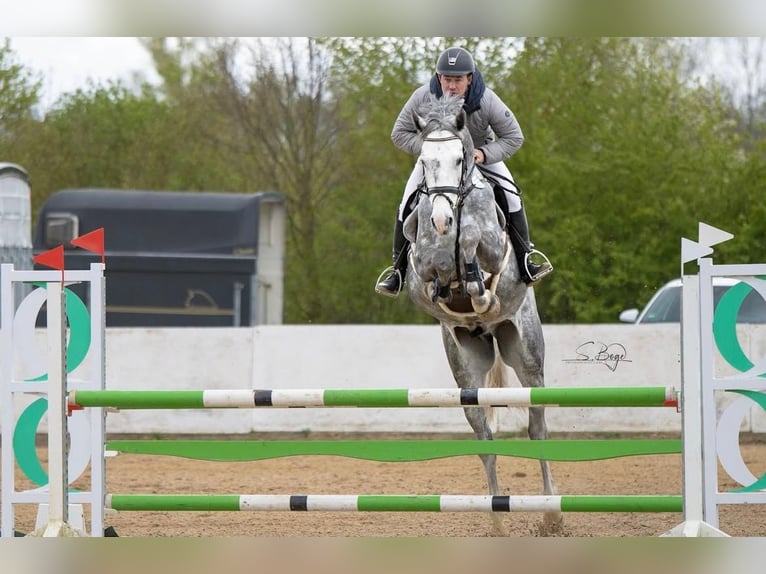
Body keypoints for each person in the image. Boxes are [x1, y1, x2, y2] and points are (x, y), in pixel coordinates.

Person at [375, 46, 553, 297]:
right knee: (406, 201)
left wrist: (485, 154)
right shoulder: (422, 96)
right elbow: (399, 133)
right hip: (438, 162)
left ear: (469, 78)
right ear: (439, 77)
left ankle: (526, 260)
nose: (451, 85)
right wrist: (429, 150)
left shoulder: (486, 99)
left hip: (480, 156)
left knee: (512, 195)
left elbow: (514, 136)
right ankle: (398, 271)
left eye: (458, 79)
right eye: (447, 79)